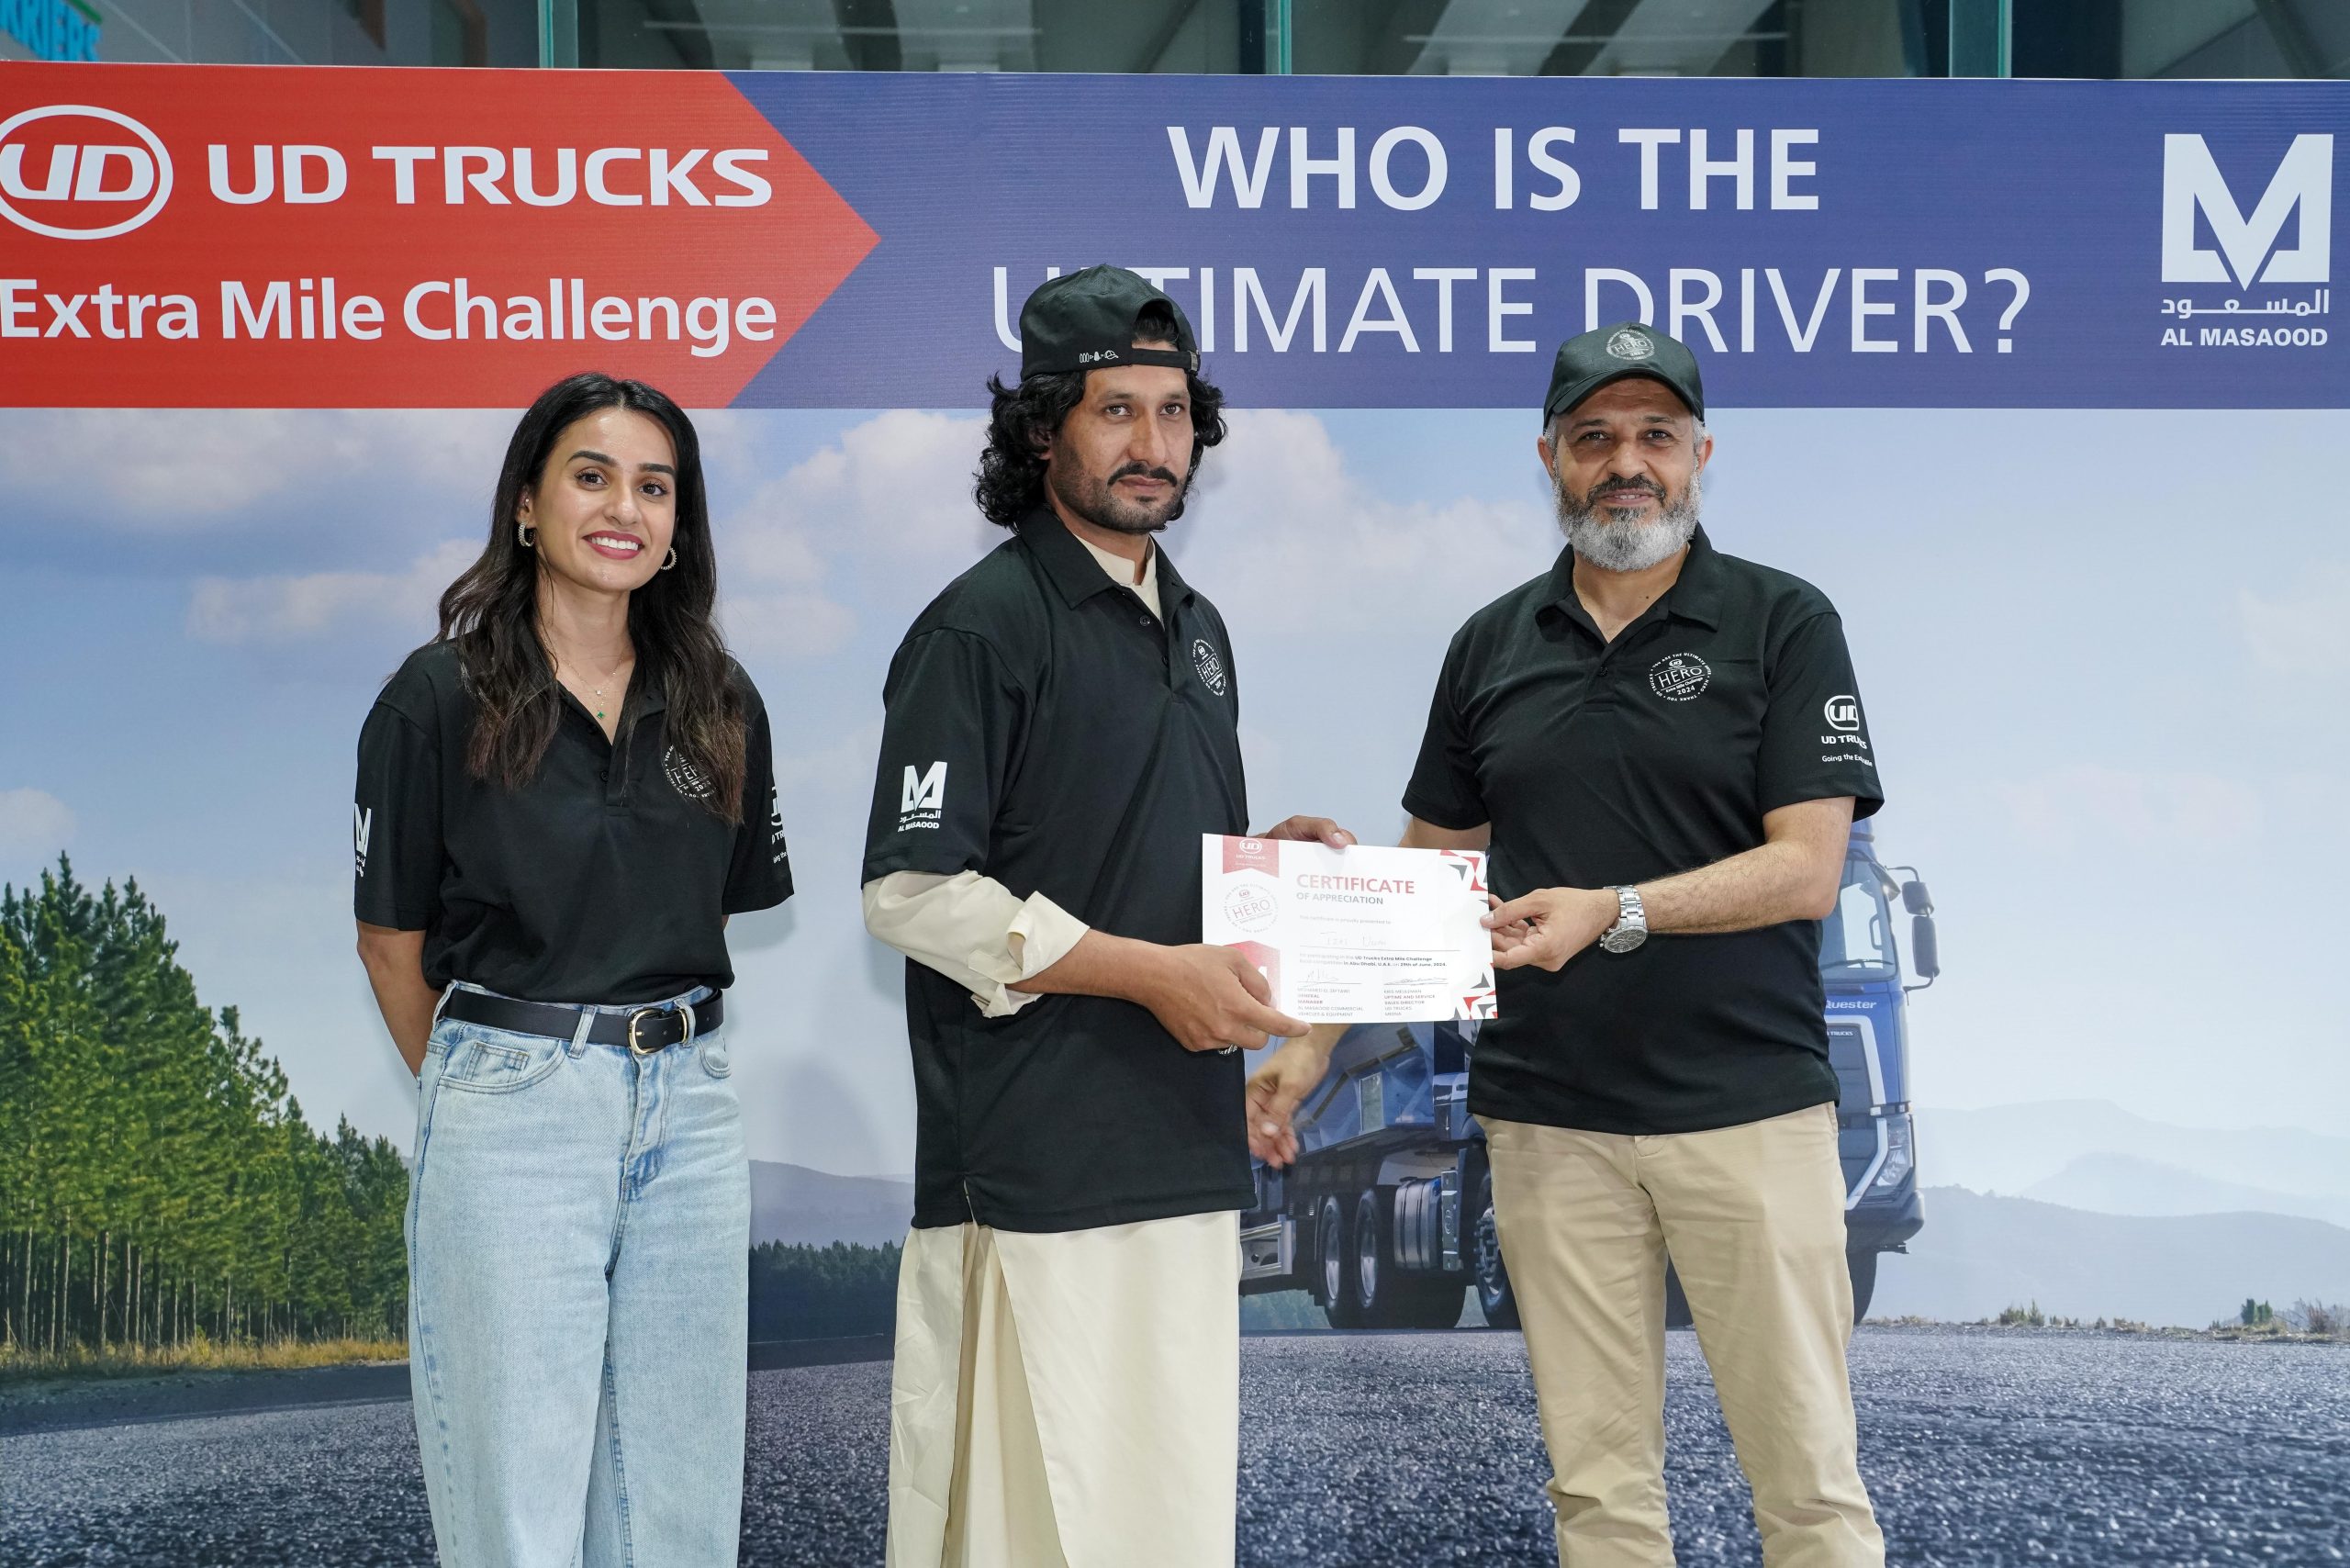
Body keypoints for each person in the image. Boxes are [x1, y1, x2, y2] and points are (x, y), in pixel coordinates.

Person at [1249, 323, 1889, 1566]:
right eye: (1594, 438)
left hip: (1747, 1116)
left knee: (1809, 1490)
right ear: (1549, 458)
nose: (1626, 464)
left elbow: (1808, 869)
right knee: (1599, 1500)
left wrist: (1618, 908)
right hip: (1546, 1131)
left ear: (1702, 454)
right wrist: (1311, 1042)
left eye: (1656, 436)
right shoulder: (1489, 646)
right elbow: (1429, 871)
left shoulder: (1783, 622)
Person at [860, 266, 1349, 1568]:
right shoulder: (980, 628)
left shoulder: (1200, 629)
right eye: (1115, 410)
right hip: (1034, 1181)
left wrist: (1266, 869)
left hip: (1184, 1159)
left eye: (1174, 412)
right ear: (1041, 432)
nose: (1153, 443)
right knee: (1032, 1534)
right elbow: (912, 890)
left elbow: (1127, 852)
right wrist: (1148, 977)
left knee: (1166, 1529)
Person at [353, 372, 792, 1567]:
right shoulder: (435, 697)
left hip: (690, 1113)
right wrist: (498, 1087)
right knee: (520, 1518)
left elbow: (705, 905)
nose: (623, 509)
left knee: (680, 1513)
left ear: (679, 523)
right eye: (591, 476)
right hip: (514, 1109)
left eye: (655, 486)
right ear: (527, 504)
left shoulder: (723, 700)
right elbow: (391, 944)